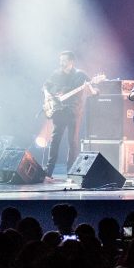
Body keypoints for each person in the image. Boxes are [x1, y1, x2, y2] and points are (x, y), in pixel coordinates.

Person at [43, 51, 91, 179]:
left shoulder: (80, 74)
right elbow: (45, 86)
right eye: (60, 60)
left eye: (64, 60)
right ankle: (49, 171)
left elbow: (93, 87)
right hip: (58, 111)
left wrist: (93, 90)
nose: (61, 63)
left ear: (71, 61)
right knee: (55, 141)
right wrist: (47, 95)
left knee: (73, 142)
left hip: (74, 112)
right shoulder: (56, 74)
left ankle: (71, 172)